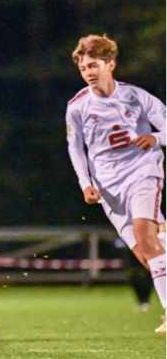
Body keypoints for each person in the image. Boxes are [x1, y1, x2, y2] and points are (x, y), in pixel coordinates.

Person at [64, 34, 166, 333]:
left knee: (146, 237)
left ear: (111, 64)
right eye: (84, 68)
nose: (89, 73)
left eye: (94, 65)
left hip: (143, 173)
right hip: (109, 189)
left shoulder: (136, 97)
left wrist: (155, 138)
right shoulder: (77, 106)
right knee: (145, 253)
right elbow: (75, 148)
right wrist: (86, 184)